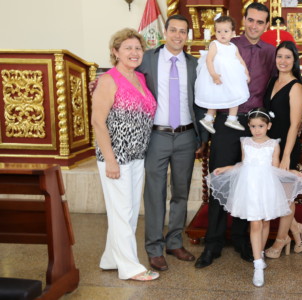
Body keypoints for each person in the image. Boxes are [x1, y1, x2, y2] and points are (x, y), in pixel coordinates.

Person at [195, 2, 276, 269]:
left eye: (260, 22)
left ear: (266, 25)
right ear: (243, 21)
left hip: (255, 126)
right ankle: (214, 242)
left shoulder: (270, 52)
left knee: (249, 183)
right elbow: (206, 74)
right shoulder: (226, 41)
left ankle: (242, 239)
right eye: (250, 20)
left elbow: (274, 88)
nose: (254, 25)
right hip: (226, 120)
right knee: (220, 177)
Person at [206, 108, 302, 286]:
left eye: (261, 126)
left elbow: (275, 168)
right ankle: (258, 265)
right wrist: (227, 168)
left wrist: (292, 172)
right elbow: (243, 164)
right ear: (249, 127)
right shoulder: (245, 142)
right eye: (253, 126)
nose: (257, 130)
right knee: (255, 222)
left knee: (265, 222)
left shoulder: (273, 144)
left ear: (268, 126)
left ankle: (259, 252)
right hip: (249, 187)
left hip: (266, 186)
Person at [137, 14, 208, 272]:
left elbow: (202, 102)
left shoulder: (195, 64)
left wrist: (203, 137)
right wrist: (100, 82)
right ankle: (154, 248)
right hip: (157, 135)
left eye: (183, 31)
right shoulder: (147, 59)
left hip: (187, 135)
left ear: (187, 36)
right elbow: (123, 76)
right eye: (174, 30)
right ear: (165, 32)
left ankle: (174, 241)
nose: (178, 35)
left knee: (180, 191)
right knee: (155, 193)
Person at [91, 28, 159, 281]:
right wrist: (110, 159)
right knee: (122, 212)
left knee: (127, 211)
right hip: (116, 157)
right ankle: (130, 267)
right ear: (115, 52)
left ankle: (111, 258)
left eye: (138, 48)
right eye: (128, 48)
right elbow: (98, 122)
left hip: (136, 156)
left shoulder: (140, 78)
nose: (134, 52)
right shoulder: (108, 80)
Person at [263, 41, 302, 259]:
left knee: (285, 197)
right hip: (268, 146)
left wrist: (285, 156)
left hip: (286, 146)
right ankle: (296, 228)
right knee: (271, 193)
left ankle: (281, 239)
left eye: (287, 57)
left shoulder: (296, 87)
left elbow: (295, 125)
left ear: (295, 60)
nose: (282, 61)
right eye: (279, 56)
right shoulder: (272, 80)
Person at [195, 16, 250, 134]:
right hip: (218, 76)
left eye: (226, 31)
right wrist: (214, 74)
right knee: (215, 96)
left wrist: (246, 73)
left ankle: (232, 118)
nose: (222, 34)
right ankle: (208, 118)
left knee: (236, 94)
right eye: (219, 31)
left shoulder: (233, 47)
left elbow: (240, 60)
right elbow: (209, 60)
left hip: (231, 78)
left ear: (233, 33)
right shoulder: (215, 44)